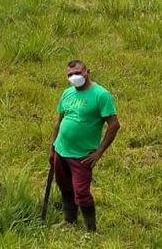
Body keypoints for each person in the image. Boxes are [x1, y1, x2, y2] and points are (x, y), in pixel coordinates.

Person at [49, 60, 120, 232]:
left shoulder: (101, 95)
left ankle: (91, 230)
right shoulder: (67, 93)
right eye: (70, 75)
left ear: (87, 72)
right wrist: (52, 147)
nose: (74, 77)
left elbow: (114, 125)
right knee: (64, 186)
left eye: (78, 73)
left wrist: (99, 152)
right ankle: (69, 220)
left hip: (82, 155)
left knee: (81, 192)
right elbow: (59, 121)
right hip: (61, 150)